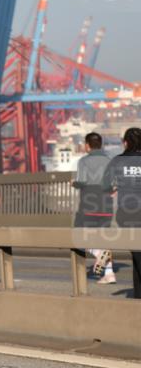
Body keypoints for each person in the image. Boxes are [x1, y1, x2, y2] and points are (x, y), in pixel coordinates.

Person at [103, 127, 141, 299]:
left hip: (128, 212)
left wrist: (114, 189)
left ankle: (138, 295)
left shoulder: (117, 161)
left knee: (137, 252)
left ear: (125, 143)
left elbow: (105, 184)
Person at [73, 132, 116, 284]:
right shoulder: (110, 161)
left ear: (87, 145)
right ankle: (109, 274)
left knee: (78, 236)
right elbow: (113, 184)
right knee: (105, 238)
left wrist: (74, 183)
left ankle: (97, 253)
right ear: (100, 144)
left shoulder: (83, 161)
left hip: (89, 204)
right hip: (106, 204)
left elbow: (82, 181)